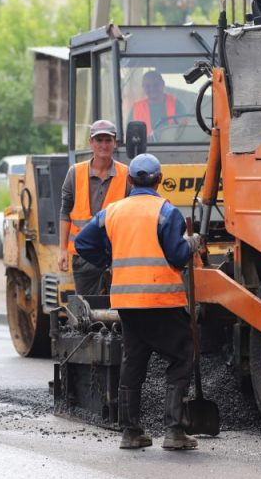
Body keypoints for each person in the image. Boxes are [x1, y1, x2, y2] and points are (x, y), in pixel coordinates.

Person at [75, 153, 203, 450]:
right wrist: (193, 243)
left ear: (130, 180)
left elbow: (82, 243)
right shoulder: (166, 211)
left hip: (127, 300)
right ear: (159, 180)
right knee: (181, 357)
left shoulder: (113, 211)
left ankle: (131, 432)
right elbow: (176, 254)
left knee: (133, 360)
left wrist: (108, 260)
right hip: (161, 299)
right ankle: (174, 431)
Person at [58, 120, 130, 296]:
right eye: (99, 140)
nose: (103, 145)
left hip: (116, 255)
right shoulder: (75, 173)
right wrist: (62, 250)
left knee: (118, 310)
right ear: (91, 142)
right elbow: (65, 212)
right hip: (84, 256)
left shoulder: (127, 174)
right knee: (87, 311)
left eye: (108, 140)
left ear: (115, 143)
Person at [130, 70, 184, 138]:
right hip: (144, 148)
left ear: (163, 84)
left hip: (172, 147)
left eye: (155, 85)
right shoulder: (136, 108)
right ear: (143, 87)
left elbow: (184, 131)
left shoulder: (176, 105)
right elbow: (129, 135)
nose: (152, 88)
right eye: (147, 86)